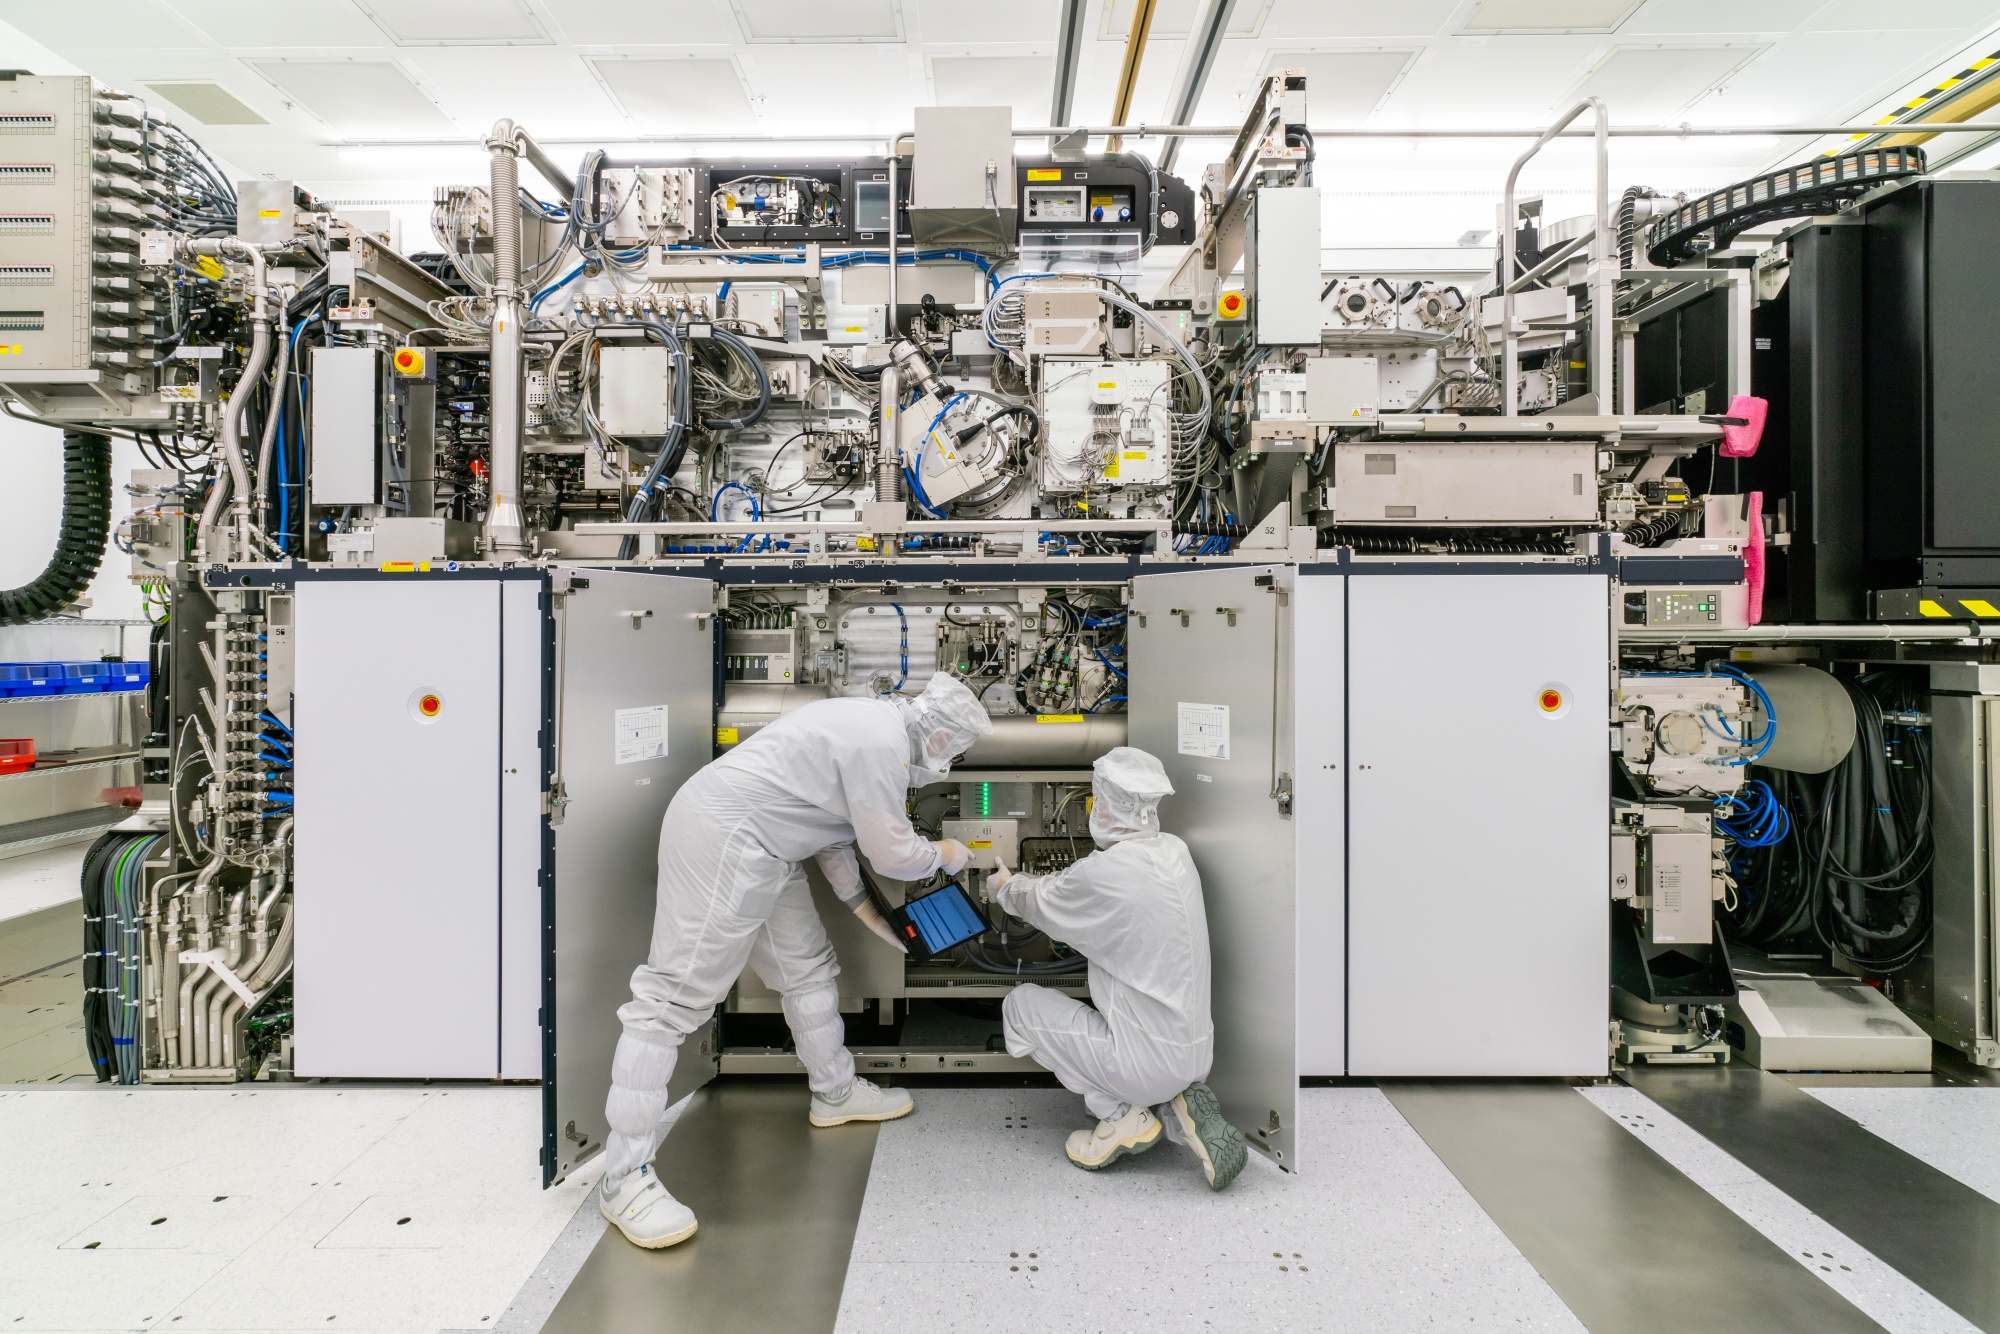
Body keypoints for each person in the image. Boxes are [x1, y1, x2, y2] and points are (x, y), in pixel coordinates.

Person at [598, 672, 995, 1248]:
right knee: (669, 1002)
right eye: (957, 749)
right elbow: (893, 853)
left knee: (808, 968)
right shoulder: (879, 742)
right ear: (942, 735)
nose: (953, 761)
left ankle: (835, 1092)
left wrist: (877, 919)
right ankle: (623, 1180)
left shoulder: (873, 727)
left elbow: (831, 836)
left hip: (770, 844)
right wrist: (953, 854)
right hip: (727, 837)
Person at [988, 746, 1247, 1190]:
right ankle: (1175, 1104)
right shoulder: (1175, 852)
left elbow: (1040, 901)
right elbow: (1081, 891)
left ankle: (1125, 1115)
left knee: (1020, 1007)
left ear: (1106, 802)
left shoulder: (1107, 872)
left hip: (1143, 1063)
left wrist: (1003, 886)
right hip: (1196, 1054)